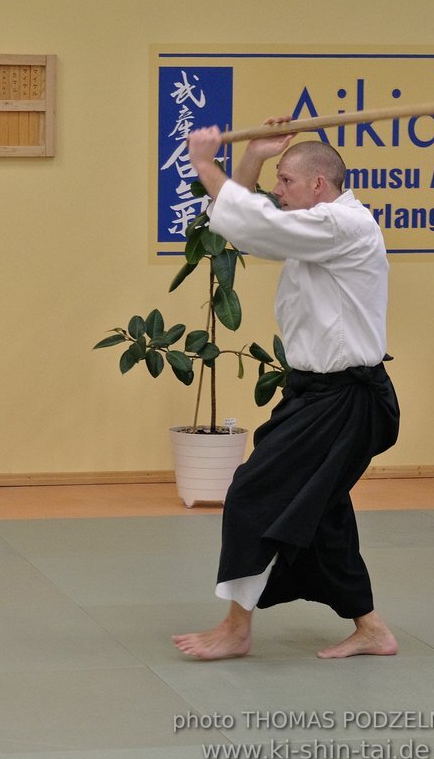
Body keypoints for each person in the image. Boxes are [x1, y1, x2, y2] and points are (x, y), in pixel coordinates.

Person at [172, 117, 401, 661]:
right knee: (321, 511)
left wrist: (206, 163)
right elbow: (243, 225)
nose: (278, 190)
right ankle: (372, 628)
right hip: (320, 396)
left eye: (286, 180)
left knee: (254, 493)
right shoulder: (320, 224)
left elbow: (255, 228)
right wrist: (252, 157)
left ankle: (235, 628)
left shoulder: (342, 227)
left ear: (318, 186)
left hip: (344, 400)